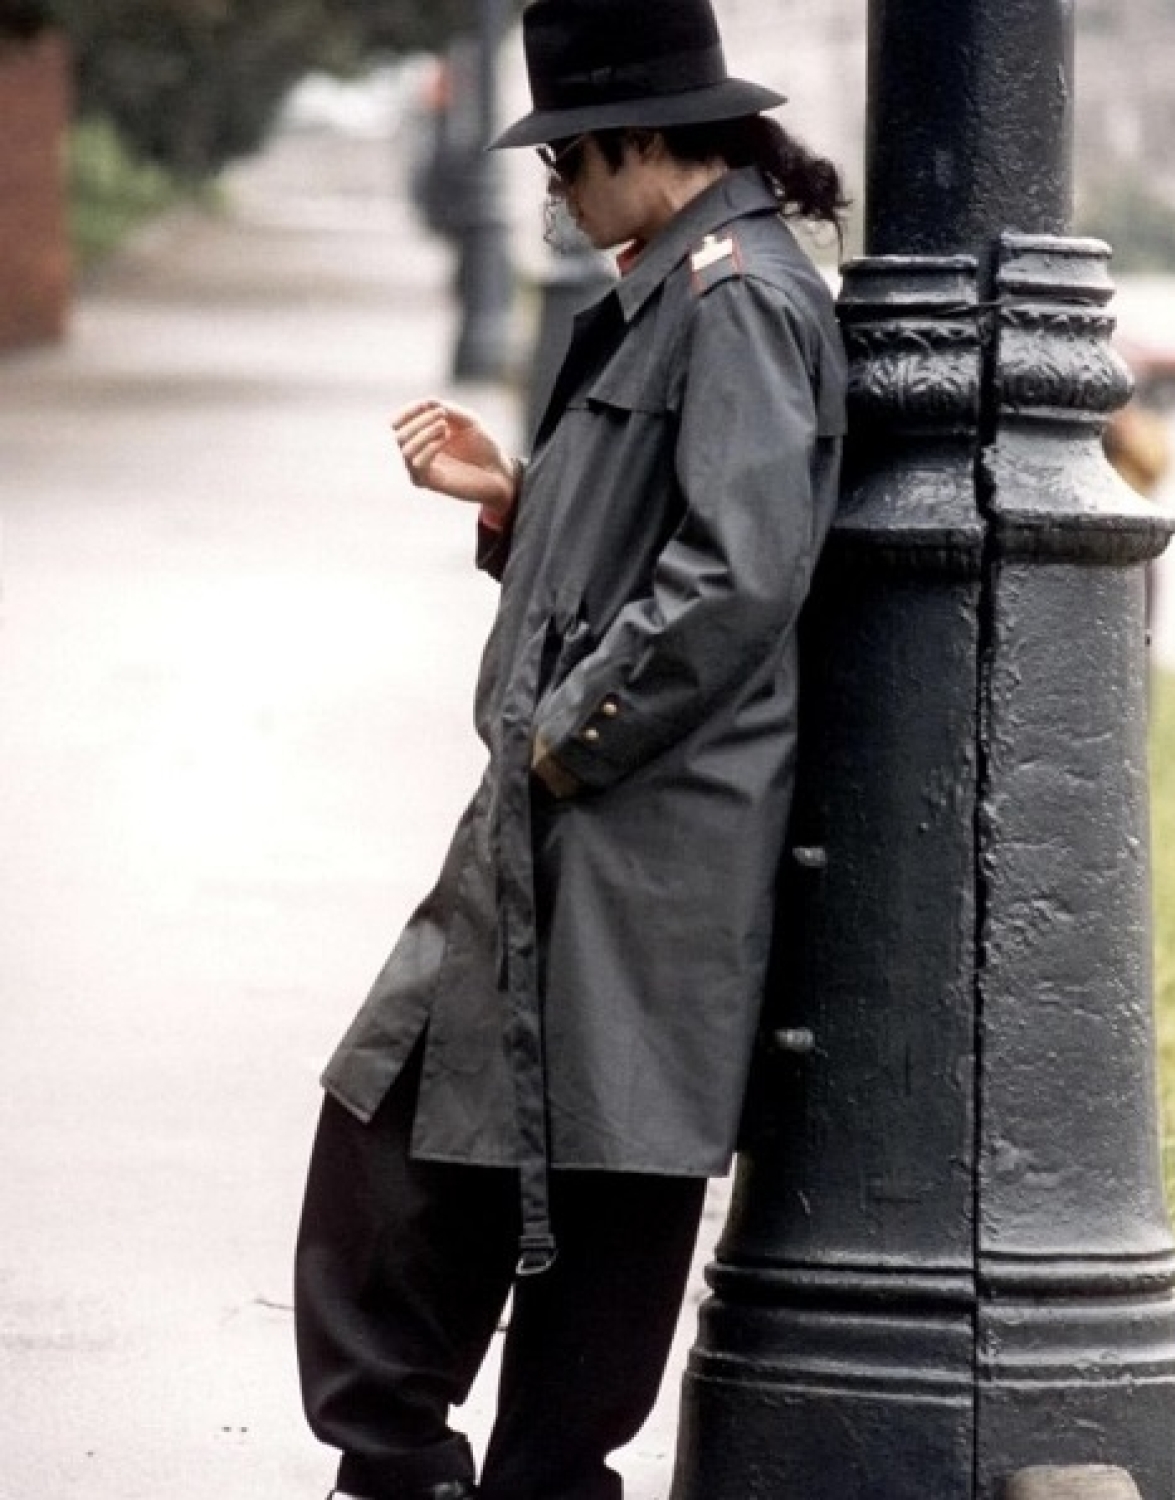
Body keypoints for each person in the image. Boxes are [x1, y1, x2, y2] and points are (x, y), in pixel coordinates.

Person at [293, 3, 849, 1499]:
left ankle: (483, 1475)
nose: (556, 189)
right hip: (582, 812)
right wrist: (518, 501)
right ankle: (410, 1463)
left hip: (636, 824)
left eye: (567, 159)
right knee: (418, 1125)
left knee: (601, 1176)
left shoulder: (737, 299)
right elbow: (663, 536)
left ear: (639, 138)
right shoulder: (681, 289)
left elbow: (737, 572)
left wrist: (565, 740)